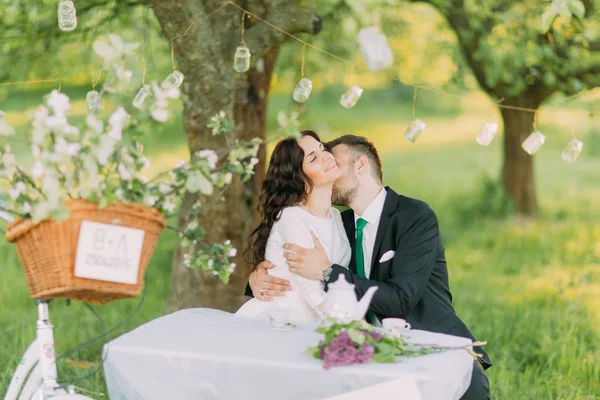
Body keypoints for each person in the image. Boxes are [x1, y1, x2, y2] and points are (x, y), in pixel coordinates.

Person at [246, 135, 491, 399]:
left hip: (428, 343)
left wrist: (327, 271)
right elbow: (294, 262)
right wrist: (255, 280)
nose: (330, 166)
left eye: (335, 161)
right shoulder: (339, 223)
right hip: (361, 353)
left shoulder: (414, 216)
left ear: (360, 166)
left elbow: (401, 298)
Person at [235, 131, 351, 326]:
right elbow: (309, 286)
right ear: (300, 180)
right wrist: (345, 324)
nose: (326, 155)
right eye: (314, 158)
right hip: (285, 317)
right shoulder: (292, 217)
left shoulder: (336, 216)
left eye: (322, 148)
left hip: (319, 314)